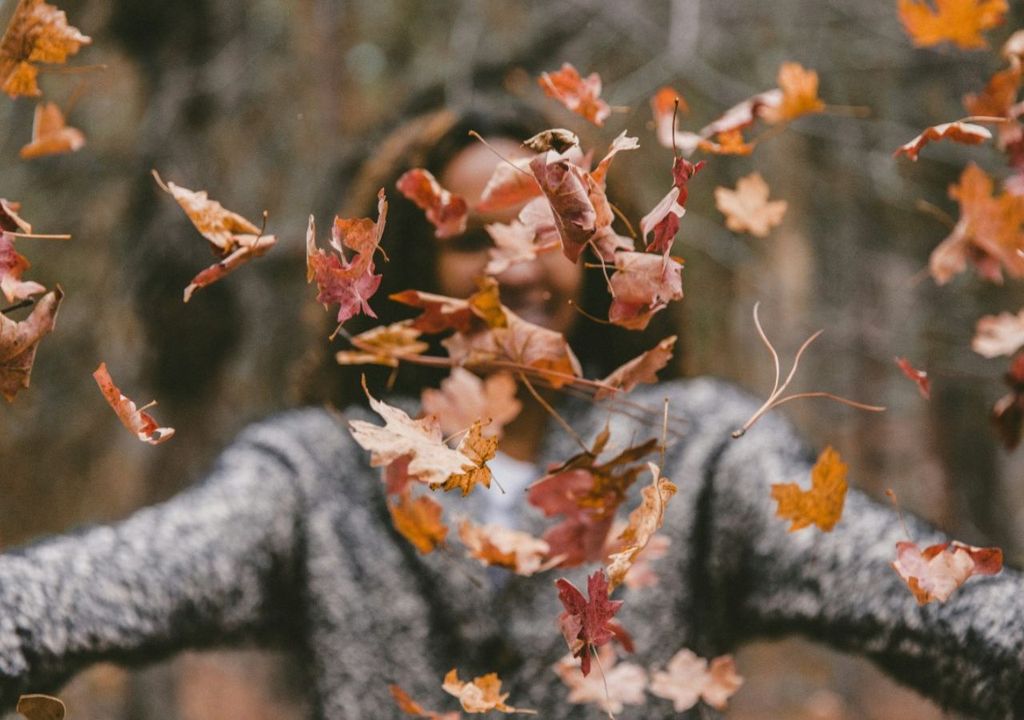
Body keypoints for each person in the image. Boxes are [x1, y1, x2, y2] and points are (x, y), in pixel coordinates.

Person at [1, 96, 1022, 720]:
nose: (512, 267)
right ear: (407, 272)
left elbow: (926, 605)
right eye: (469, 237)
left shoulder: (698, 455)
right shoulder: (317, 477)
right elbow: (107, 583)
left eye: (546, 230)